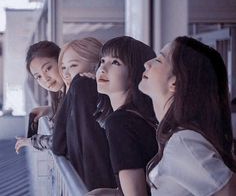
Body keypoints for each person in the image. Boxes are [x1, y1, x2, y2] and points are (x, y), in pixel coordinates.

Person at [138, 36, 236, 195]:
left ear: (175, 83)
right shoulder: (182, 138)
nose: (147, 63)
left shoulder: (183, 142)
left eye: (158, 60)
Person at [94, 36, 158, 196]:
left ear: (135, 74)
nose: (102, 69)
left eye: (115, 62)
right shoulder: (138, 117)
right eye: (102, 61)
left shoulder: (120, 122)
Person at [52, 38, 116, 190]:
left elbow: (58, 145)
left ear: (96, 64)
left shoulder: (83, 86)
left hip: (93, 187)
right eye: (63, 67)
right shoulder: (110, 97)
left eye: (73, 65)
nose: (66, 74)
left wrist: (73, 87)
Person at [15, 41, 65, 153]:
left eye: (48, 69)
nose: (45, 78)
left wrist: (31, 141)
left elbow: (60, 143)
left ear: (61, 62)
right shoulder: (62, 96)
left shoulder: (75, 94)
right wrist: (50, 110)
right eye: (38, 76)